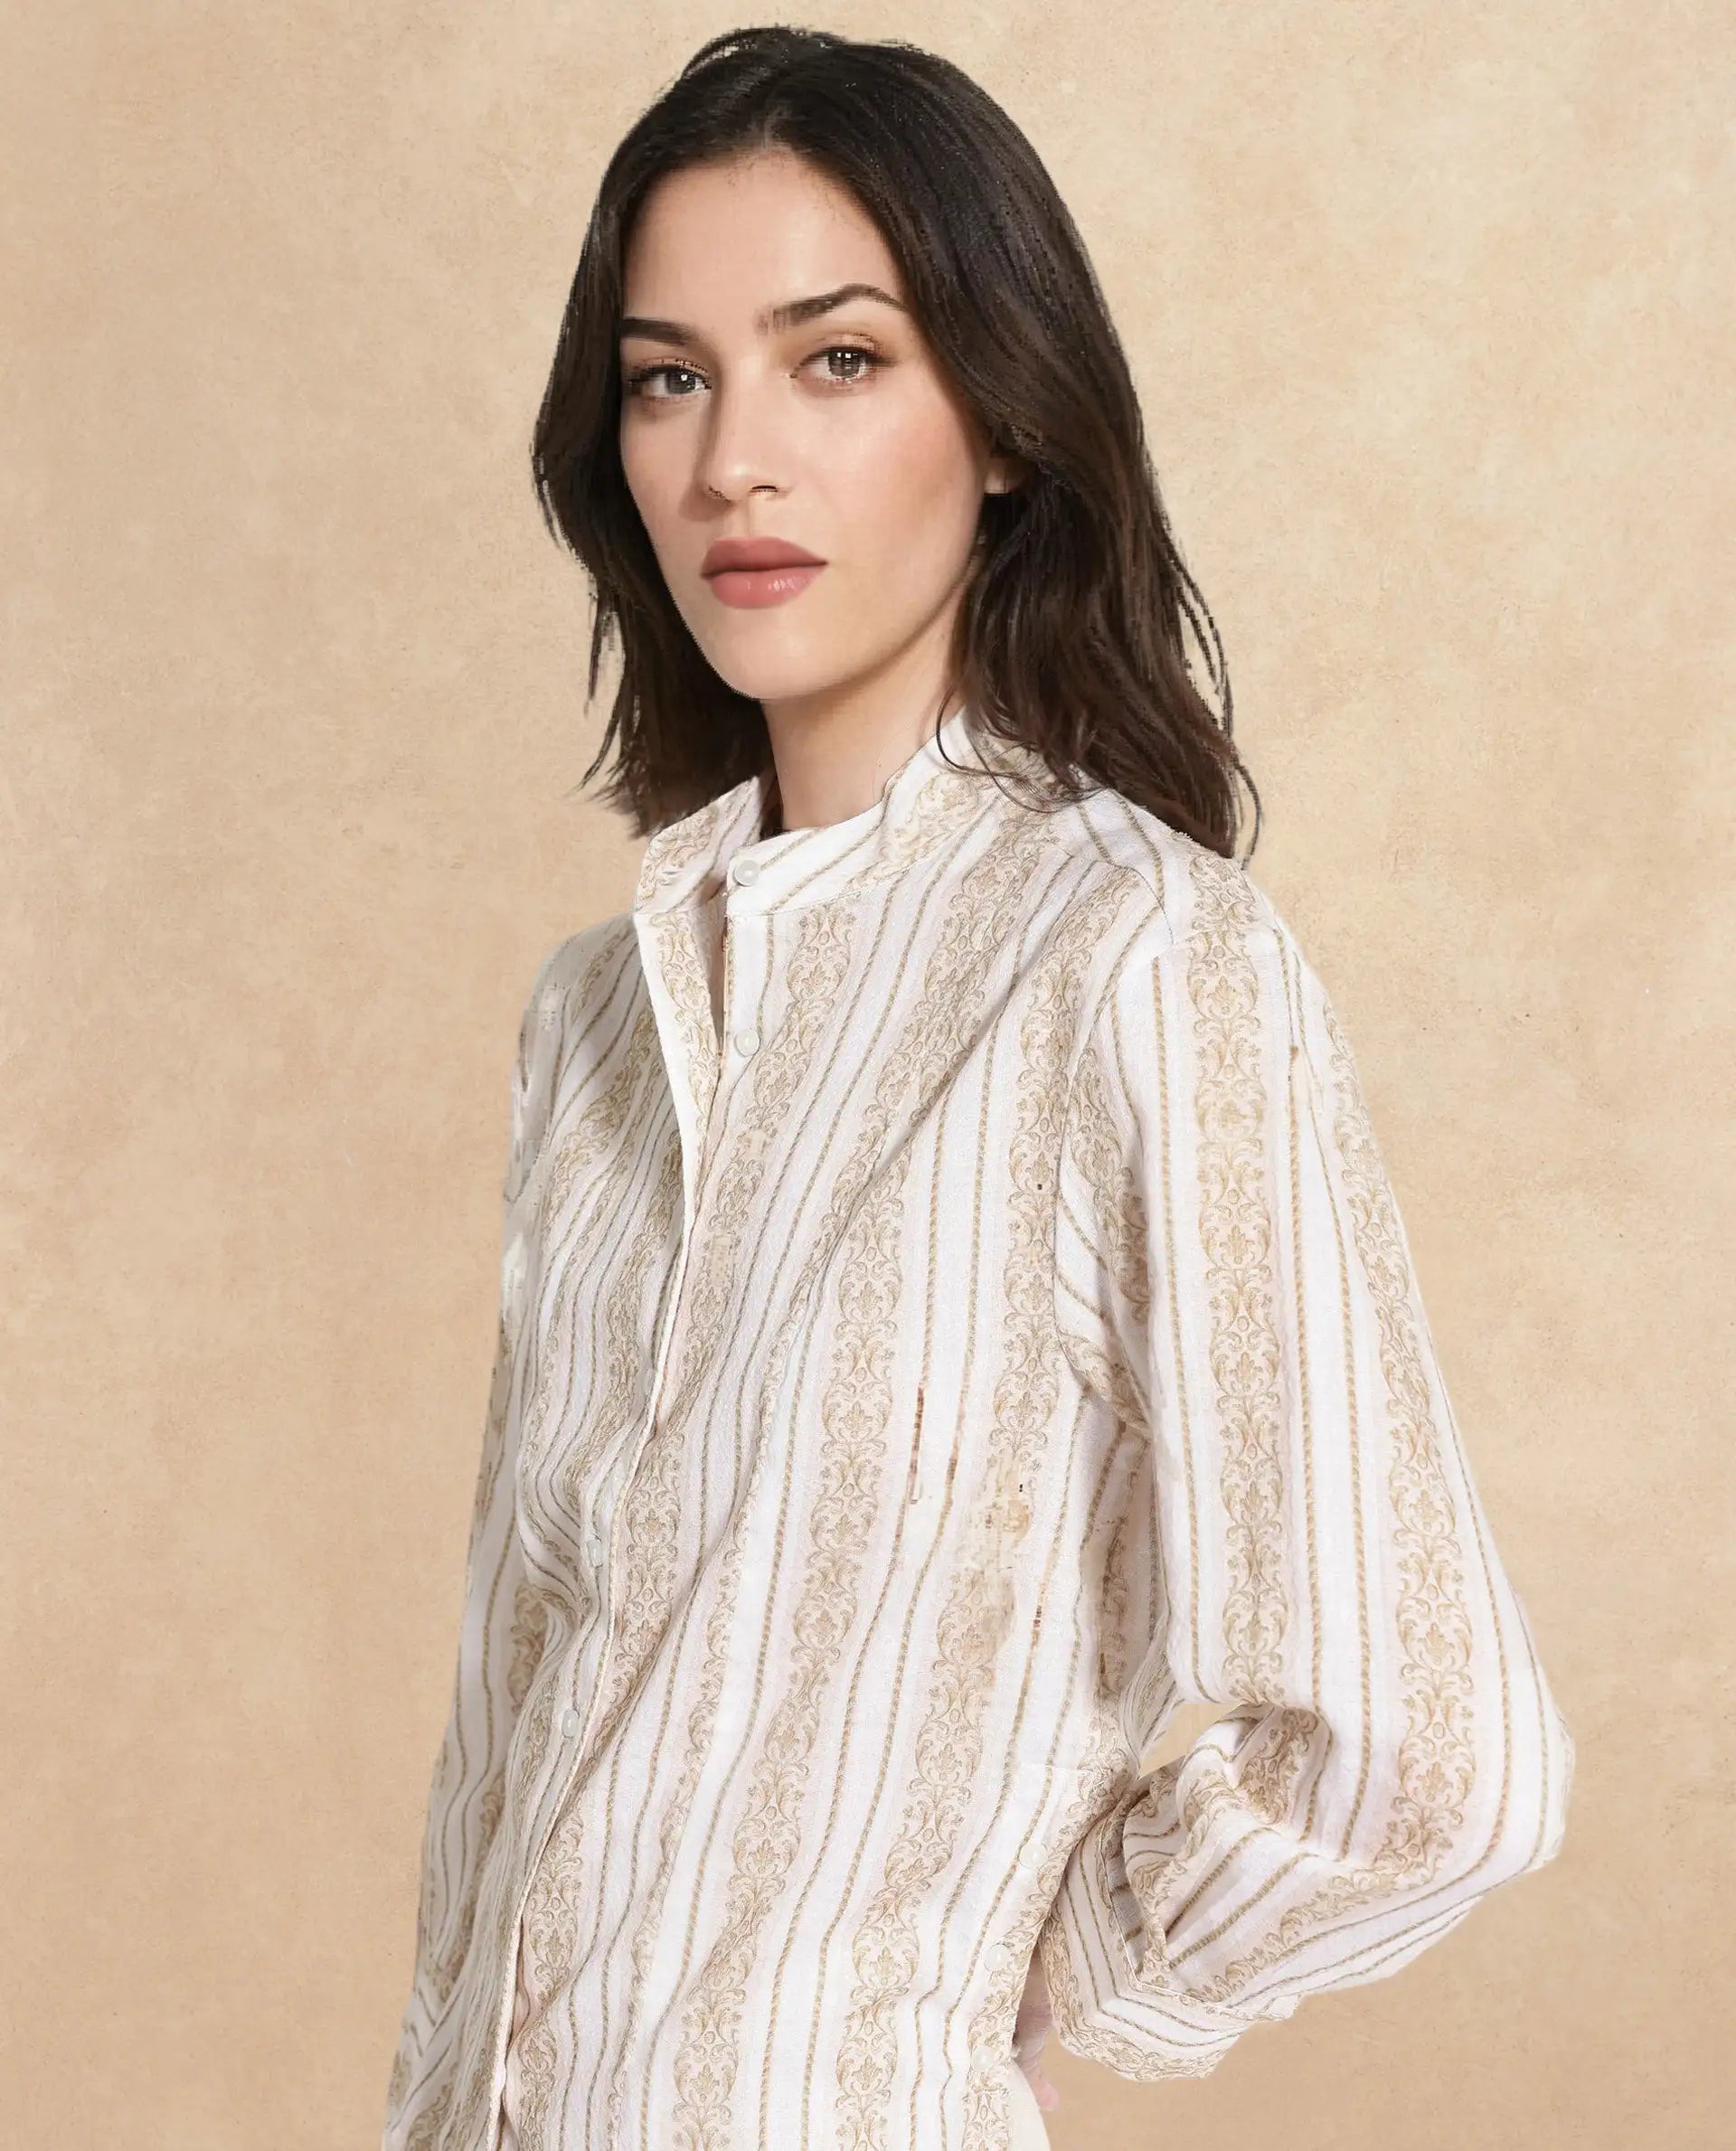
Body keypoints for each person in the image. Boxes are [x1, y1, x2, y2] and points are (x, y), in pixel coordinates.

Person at [380, 28, 1574, 2151]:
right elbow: (510, 1762)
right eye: (668, 379)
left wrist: (1044, 1956)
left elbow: (1432, 1754)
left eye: (836, 360)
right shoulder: (596, 1023)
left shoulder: (1136, 958)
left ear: (1007, 420)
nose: (735, 461)